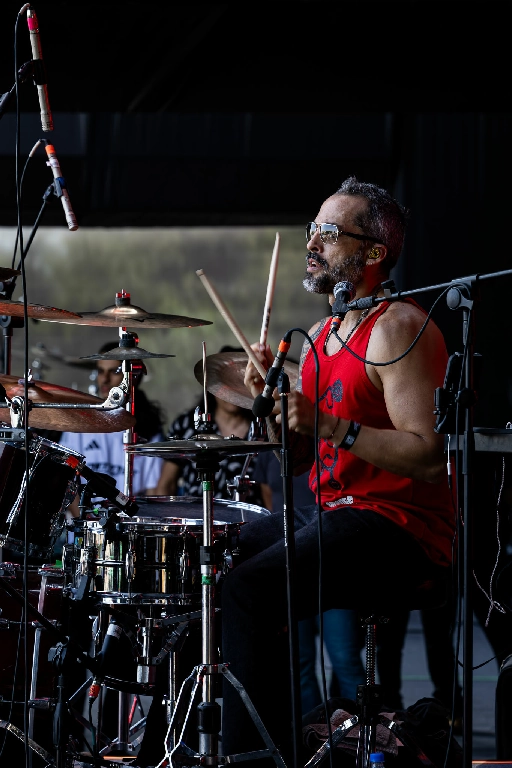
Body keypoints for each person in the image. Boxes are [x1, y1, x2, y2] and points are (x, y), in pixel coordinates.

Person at [219, 176, 456, 762]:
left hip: (400, 527)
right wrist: (274, 409)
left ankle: (256, 759)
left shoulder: (398, 327)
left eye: (328, 232)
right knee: (223, 555)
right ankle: (261, 738)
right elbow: (299, 461)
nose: (312, 243)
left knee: (249, 590)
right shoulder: (320, 337)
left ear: (373, 252)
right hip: (337, 512)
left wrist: (329, 424)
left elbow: (430, 456)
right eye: (312, 230)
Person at [251, 416, 366, 715]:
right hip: (292, 564)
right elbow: (270, 503)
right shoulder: (271, 449)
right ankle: (312, 731)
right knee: (299, 662)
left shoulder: (334, 436)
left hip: (335, 561)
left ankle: (359, 731)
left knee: (345, 658)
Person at [153, 345, 264, 507]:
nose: (232, 388)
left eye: (239, 380)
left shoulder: (262, 430)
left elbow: (271, 493)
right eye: (226, 380)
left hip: (249, 520)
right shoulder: (186, 425)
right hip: (195, 519)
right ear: (213, 384)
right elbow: (166, 485)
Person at [59, 340, 167, 500]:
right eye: (100, 371)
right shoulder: (78, 423)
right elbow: (65, 483)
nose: (104, 379)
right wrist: (83, 516)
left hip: (132, 514)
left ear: (133, 377)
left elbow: (153, 491)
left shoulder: (150, 429)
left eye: (114, 371)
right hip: (86, 514)